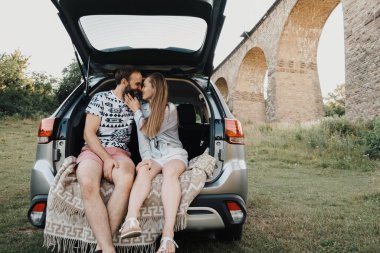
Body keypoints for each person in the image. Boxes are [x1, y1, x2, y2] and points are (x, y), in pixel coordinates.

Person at [75, 66, 142, 253]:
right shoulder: (100, 98)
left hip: (120, 152)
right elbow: (88, 133)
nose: (140, 87)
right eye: (137, 83)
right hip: (94, 149)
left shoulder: (137, 104)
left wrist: (137, 110)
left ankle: (102, 247)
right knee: (87, 182)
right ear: (123, 82)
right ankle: (108, 248)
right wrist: (105, 158)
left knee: (127, 179)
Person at [120, 72, 188, 253]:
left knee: (170, 173)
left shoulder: (170, 109)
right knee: (143, 172)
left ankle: (168, 237)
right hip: (155, 155)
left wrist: (136, 112)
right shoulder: (142, 108)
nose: (142, 89)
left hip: (174, 153)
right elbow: (144, 140)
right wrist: (146, 160)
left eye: (145, 85)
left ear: (155, 88)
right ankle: (131, 221)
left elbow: (149, 130)